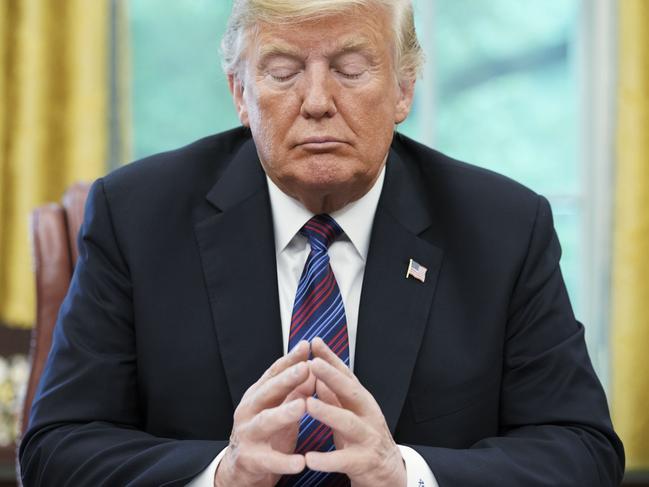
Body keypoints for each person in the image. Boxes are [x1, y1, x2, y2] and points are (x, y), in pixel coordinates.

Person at [20, 0, 624, 485]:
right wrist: (221, 474)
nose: (315, 102)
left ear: (404, 89)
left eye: (351, 69)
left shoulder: (503, 228)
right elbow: (56, 450)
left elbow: (581, 450)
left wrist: (407, 474)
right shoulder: (136, 217)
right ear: (240, 93)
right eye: (282, 72)